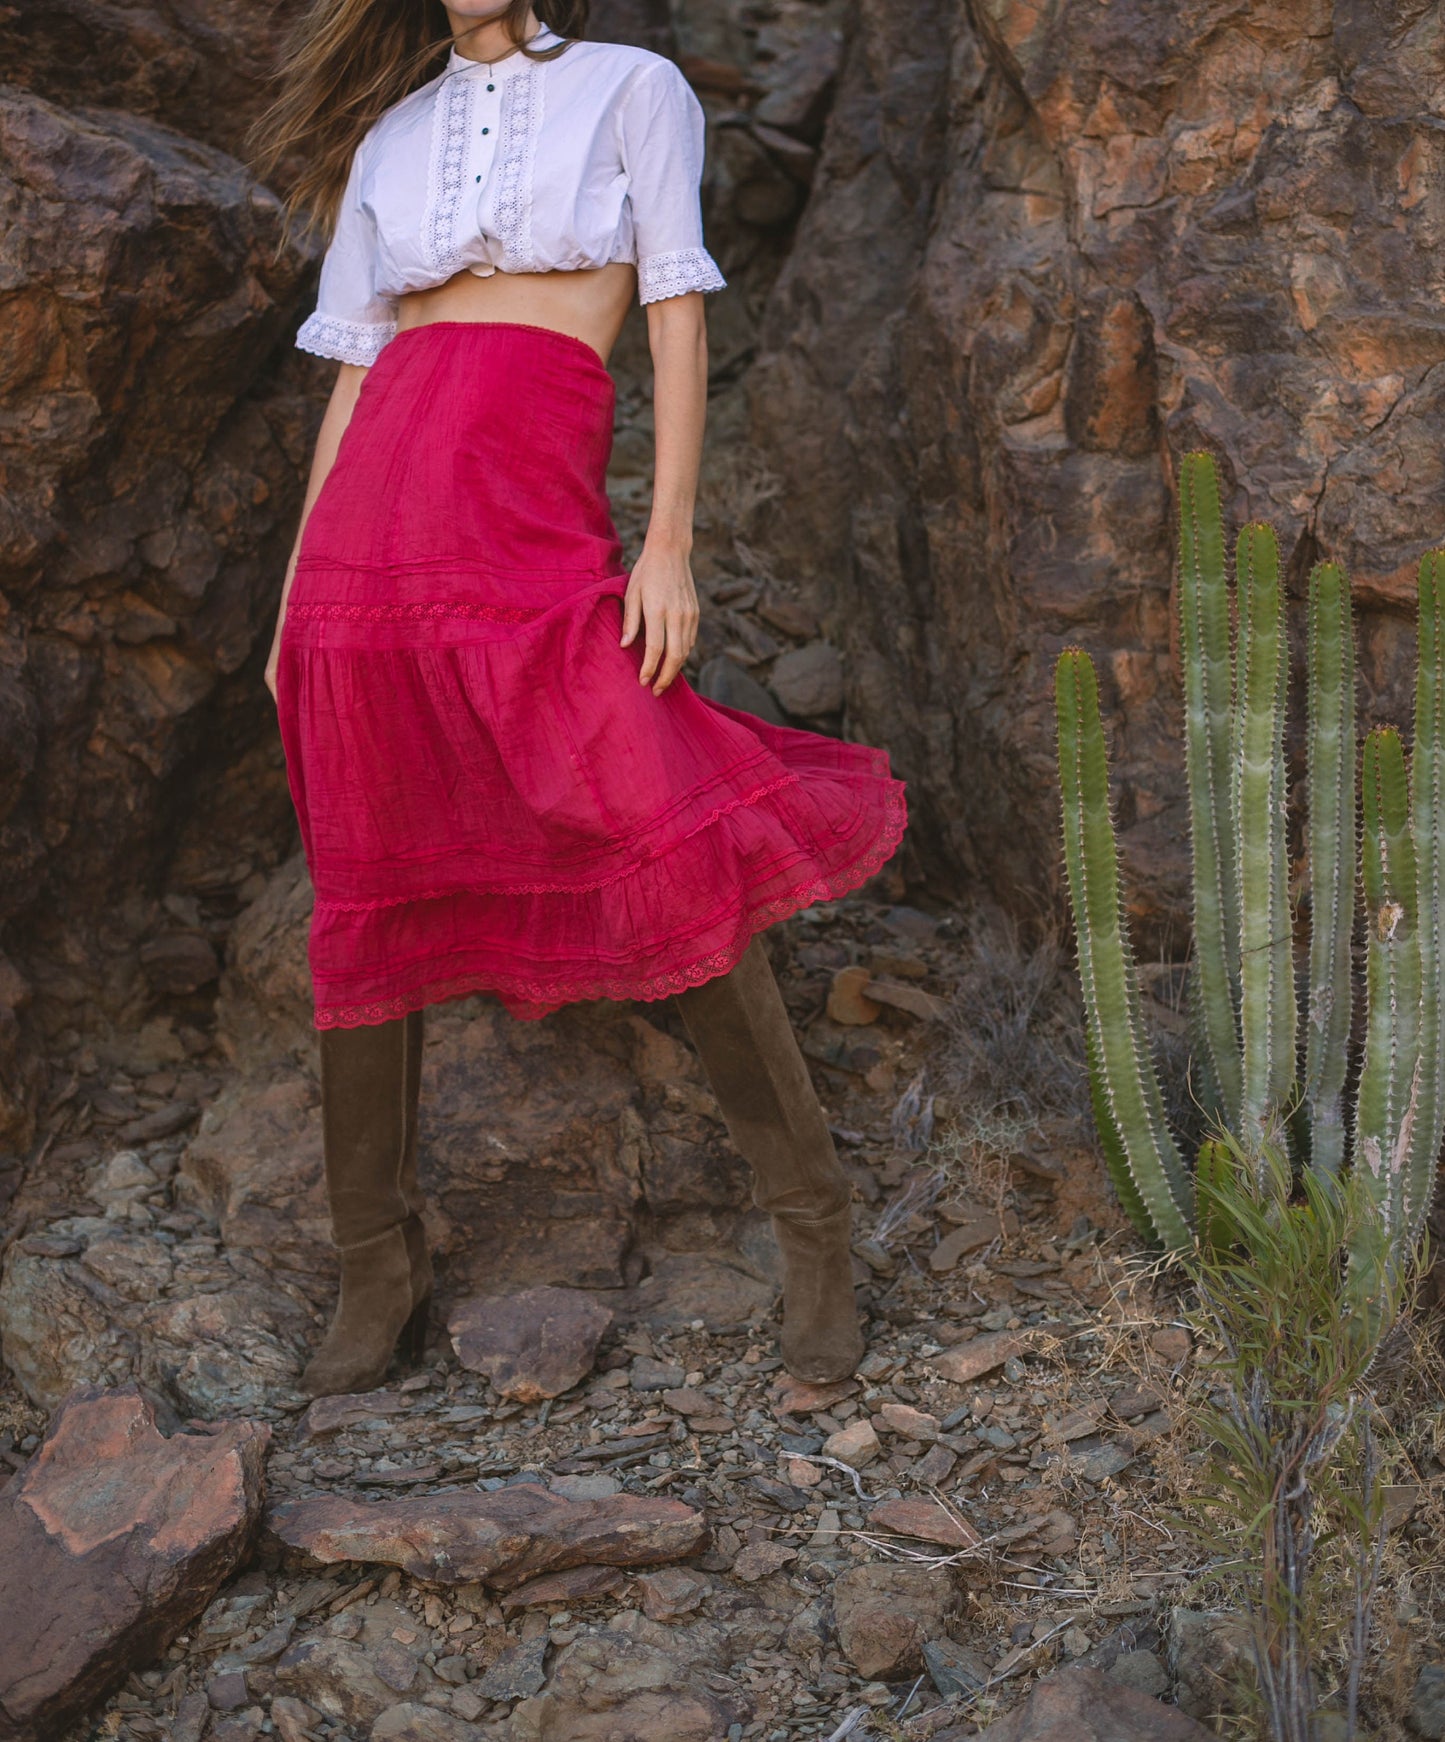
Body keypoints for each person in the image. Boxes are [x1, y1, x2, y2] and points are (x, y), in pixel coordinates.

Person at [246, 0, 907, 1401]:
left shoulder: (631, 85)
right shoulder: (394, 131)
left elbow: (673, 313)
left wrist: (666, 542)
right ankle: (378, 1262)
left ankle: (816, 1233)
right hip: (366, 539)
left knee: (649, 820)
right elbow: (354, 373)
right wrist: (296, 595)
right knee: (363, 877)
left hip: (526, 510)